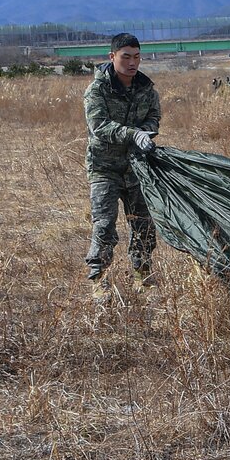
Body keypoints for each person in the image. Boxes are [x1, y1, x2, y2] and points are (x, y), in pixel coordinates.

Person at [83, 32, 160, 287]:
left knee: (143, 225)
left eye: (137, 57)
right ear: (112, 56)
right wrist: (133, 133)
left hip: (136, 168)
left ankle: (142, 276)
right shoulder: (97, 90)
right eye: (126, 57)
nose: (132, 63)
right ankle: (98, 280)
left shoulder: (146, 88)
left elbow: (153, 117)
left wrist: (147, 132)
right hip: (104, 167)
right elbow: (99, 126)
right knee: (104, 224)